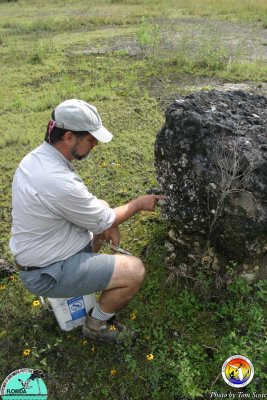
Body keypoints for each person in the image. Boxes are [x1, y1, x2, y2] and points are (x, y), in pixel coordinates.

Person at [9, 99, 165, 345]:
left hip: (42, 255)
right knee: (135, 270)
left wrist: (108, 223)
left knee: (101, 208)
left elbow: (98, 214)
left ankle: (82, 281)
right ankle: (96, 324)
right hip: (46, 272)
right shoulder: (57, 180)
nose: (94, 146)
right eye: (91, 140)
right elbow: (104, 217)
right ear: (69, 137)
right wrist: (137, 204)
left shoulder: (36, 160)